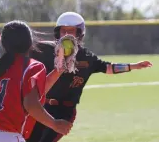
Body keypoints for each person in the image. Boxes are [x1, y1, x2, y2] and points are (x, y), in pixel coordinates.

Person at [25, 12, 153, 142]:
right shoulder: (45, 49)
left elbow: (108, 68)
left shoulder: (86, 57)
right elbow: (22, 49)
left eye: (71, 31)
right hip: (43, 107)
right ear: (58, 33)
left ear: (80, 34)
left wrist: (132, 66)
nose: (67, 35)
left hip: (65, 111)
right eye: (63, 31)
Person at [0, 20, 73, 142]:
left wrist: (58, 71)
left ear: (3, 44)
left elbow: (34, 93)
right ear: (30, 42)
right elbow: (31, 104)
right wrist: (55, 124)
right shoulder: (32, 66)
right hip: (4, 136)